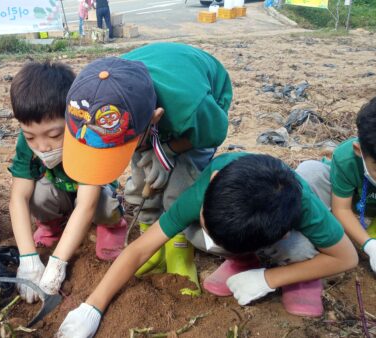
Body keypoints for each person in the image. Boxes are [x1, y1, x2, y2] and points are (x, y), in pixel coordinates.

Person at [57, 153, 358, 337]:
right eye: (204, 219)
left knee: (299, 250)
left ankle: (292, 272)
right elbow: (138, 248)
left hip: (283, 236)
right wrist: (92, 307)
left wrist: (270, 277)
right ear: (212, 182)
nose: (211, 243)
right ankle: (242, 260)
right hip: (250, 226)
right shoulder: (211, 184)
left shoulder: (304, 208)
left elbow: (345, 258)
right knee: (193, 234)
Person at [62, 42, 232, 295]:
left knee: (180, 184)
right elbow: (124, 139)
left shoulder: (191, 109)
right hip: (138, 120)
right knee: (143, 175)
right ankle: (150, 243)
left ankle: (179, 251)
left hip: (200, 110)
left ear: (154, 119)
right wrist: (147, 151)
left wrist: (169, 150)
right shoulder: (100, 96)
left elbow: (213, 134)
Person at [8, 61, 128, 303]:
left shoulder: (88, 138)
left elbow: (86, 205)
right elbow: (18, 198)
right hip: (60, 189)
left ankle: (112, 226)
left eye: (54, 135)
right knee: (37, 195)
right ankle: (52, 225)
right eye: (30, 136)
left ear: (73, 118)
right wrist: (28, 259)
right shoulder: (28, 146)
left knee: (104, 206)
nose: (42, 146)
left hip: (93, 194)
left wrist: (57, 264)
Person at [296, 96, 376, 273]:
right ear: (359, 150)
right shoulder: (346, 158)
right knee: (310, 172)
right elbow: (343, 209)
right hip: (349, 203)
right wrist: (370, 246)